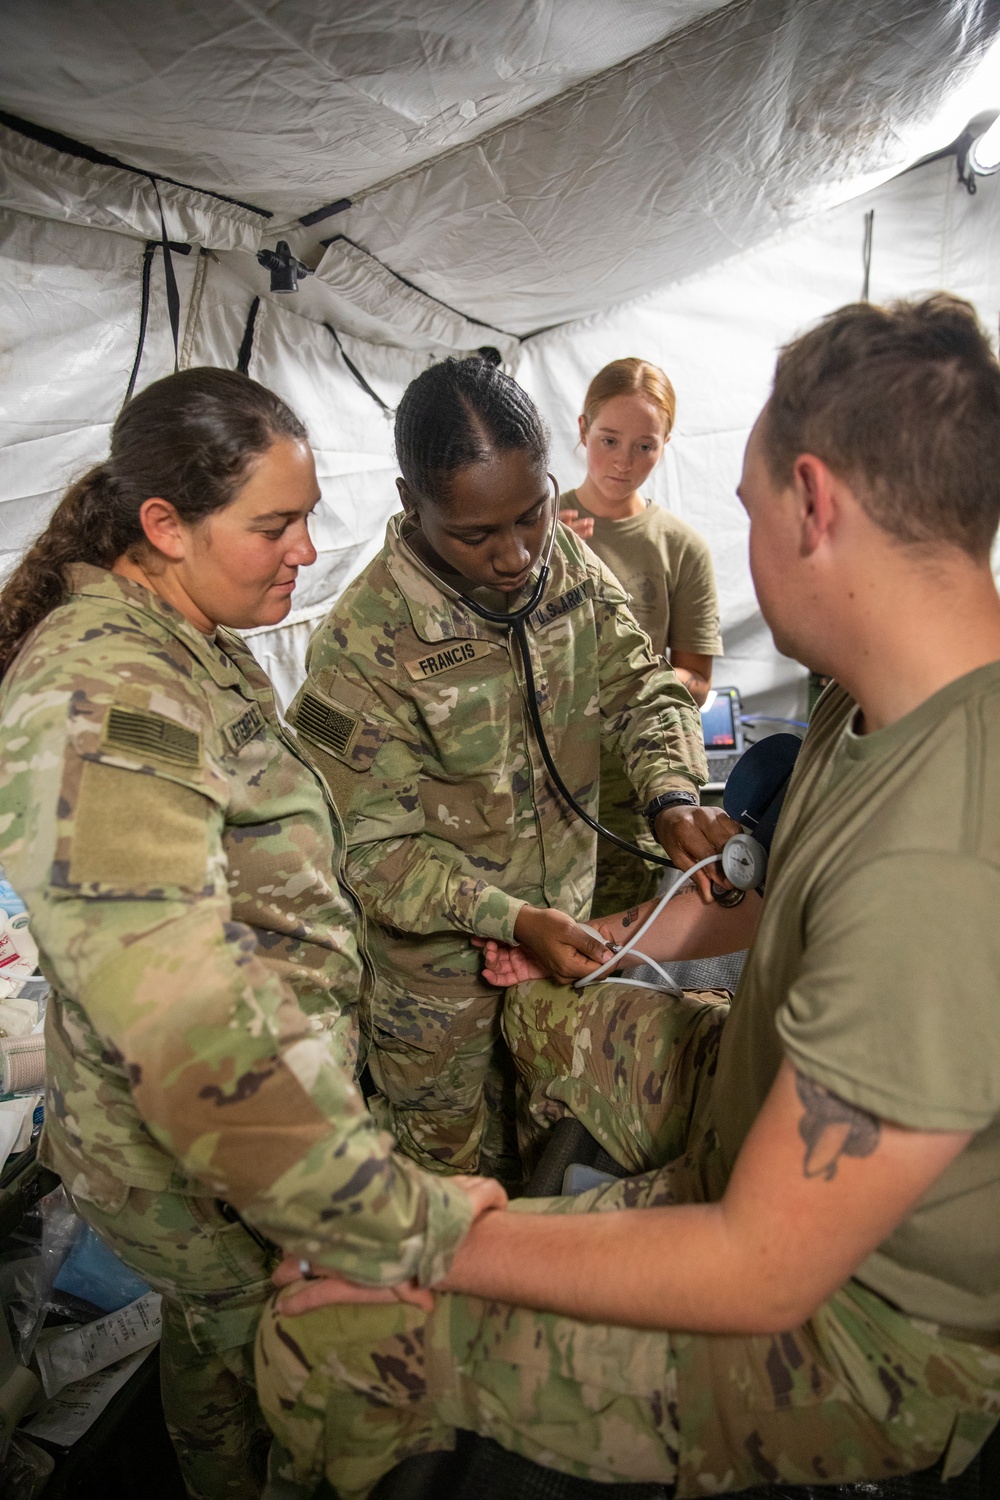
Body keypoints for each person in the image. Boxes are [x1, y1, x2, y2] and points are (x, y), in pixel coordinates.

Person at [257, 294, 1000, 1497]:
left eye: (748, 509)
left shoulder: (946, 856)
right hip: (726, 1120)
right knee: (530, 1025)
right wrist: (620, 926)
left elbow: (761, 1269)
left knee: (315, 1329)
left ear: (813, 505)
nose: (517, 552)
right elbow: (374, 846)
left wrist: (451, 1241)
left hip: (850, 1321)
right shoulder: (865, 708)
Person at [0, 369, 501, 1500]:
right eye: (273, 525)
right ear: (164, 528)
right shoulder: (102, 693)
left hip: (247, 1128)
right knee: (309, 1385)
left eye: (308, 515)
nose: (308, 551)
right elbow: (184, 1021)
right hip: (202, 1153)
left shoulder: (188, 638)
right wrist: (391, 1221)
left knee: (219, 1358)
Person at [288, 356, 735, 1183]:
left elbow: (641, 687)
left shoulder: (563, 557)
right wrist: (508, 916)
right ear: (408, 504)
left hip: (563, 947)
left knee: (555, 1155)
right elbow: (371, 853)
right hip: (442, 992)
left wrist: (671, 795)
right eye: (476, 534)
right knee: (452, 1188)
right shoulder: (364, 644)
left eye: (532, 515)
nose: (518, 555)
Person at [560, 358, 724, 913]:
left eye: (645, 446)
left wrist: (630, 680)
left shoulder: (680, 547)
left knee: (610, 949)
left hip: (631, 788)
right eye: (609, 439)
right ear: (582, 428)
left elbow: (697, 680)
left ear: (666, 443)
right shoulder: (531, 530)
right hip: (539, 778)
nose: (623, 462)